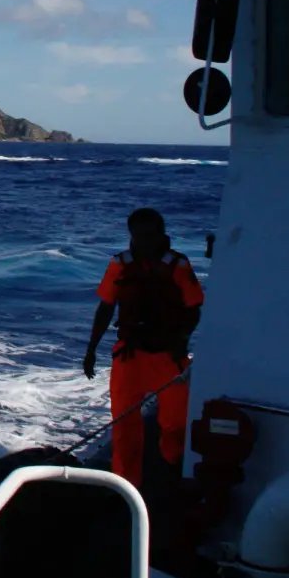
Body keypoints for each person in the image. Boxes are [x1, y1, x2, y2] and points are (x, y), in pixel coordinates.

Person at [82, 207, 204, 487]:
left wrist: (181, 341)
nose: (145, 242)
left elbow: (194, 308)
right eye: (139, 236)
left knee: (175, 424)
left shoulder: (178, 266)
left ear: (162, 234)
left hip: (168, 357)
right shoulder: (119, 264)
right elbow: (106, 307)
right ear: (131, 236)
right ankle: (125, 485)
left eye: (151, 235)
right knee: (124, 425)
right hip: (130, 355)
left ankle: (175, 473)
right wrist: (91, 350)